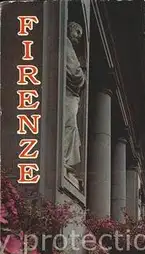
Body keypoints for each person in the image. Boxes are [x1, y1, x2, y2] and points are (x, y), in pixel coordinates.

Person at [64, 22, 86, 172]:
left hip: (70, 95)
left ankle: (64, 159)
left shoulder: (67, 45)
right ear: (69, 29)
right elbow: (75, 72)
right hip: (68, 94)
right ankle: (64, 158)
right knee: (69, 125)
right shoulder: (66, 44)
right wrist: (83, 77)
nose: (79, 36)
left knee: (71, 126)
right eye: (77, 31)